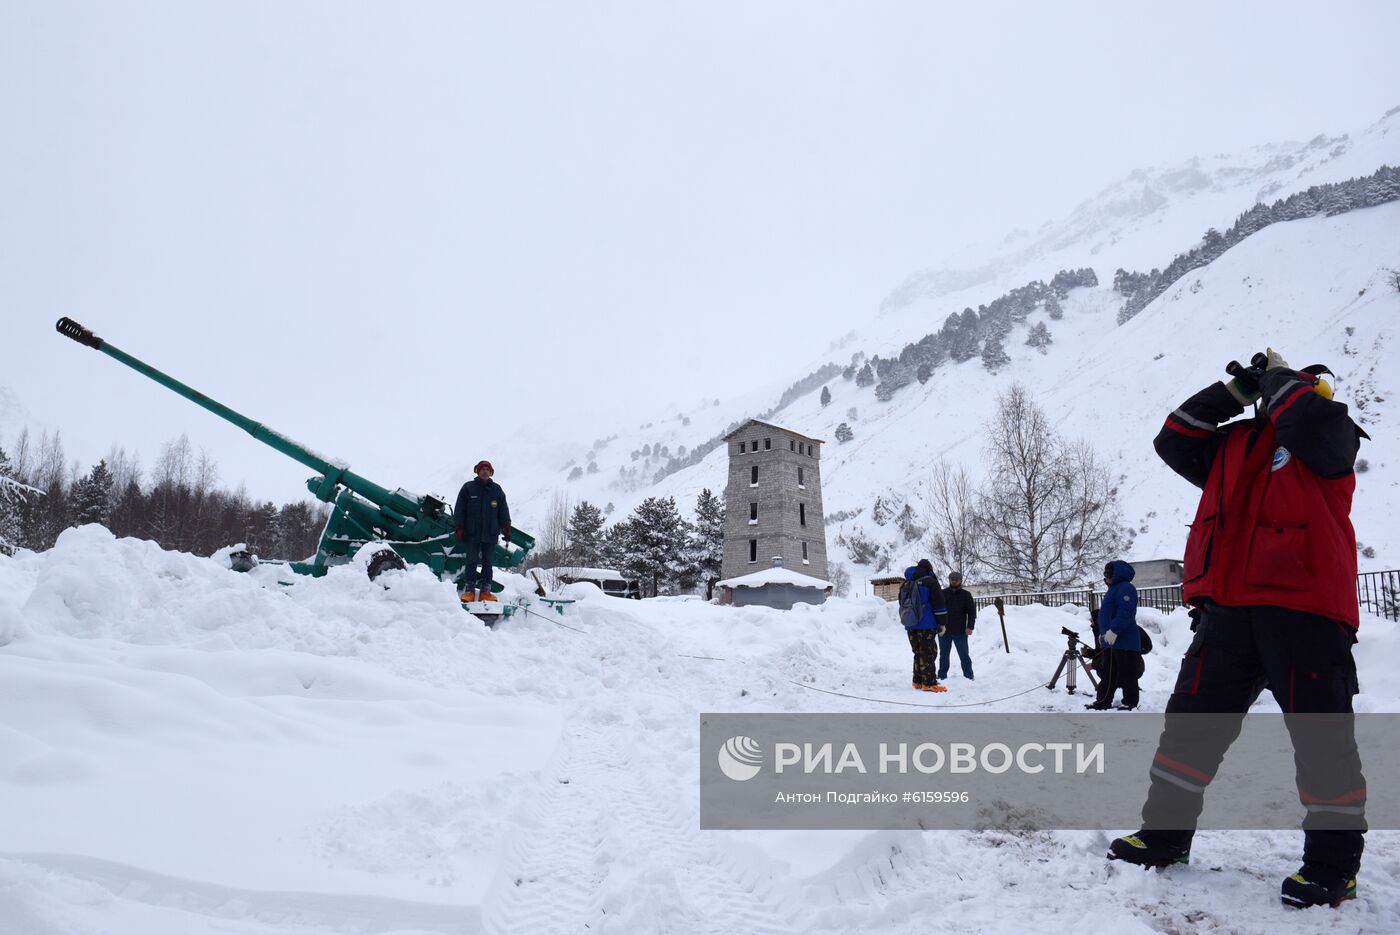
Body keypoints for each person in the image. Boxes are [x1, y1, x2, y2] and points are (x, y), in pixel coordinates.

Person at [1107, 349, 1368, 910]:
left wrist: (1282, 376)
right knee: (1189, 732)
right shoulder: (1228, 447)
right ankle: (1165, 838)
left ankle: (1332, 870)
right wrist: (1237, 390)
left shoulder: (1329, 432)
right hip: (1228, 611)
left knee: (1323, 745)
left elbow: (1305, 421)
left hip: (1307, 611)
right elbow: (1173, 436)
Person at [1086, 560, 1143, 710]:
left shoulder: (1126, 588)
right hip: (1111, 641)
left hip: (1125, 641)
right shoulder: (1113, 589)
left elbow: (1126, 612)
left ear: (1116, 574)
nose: (1106, 577)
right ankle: (1103, 701)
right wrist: (1103, 635)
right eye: (1105, 574)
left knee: (1127, 674)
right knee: (1108, 674)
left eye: (1108, 574)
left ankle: (1129, 702)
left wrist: (1114, 630)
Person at [454, 460, 511, 601]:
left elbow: (503, 511)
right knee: (471, 562)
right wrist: (460, 528)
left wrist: (506, 528)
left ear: (491, 472)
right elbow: (460, 510)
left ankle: (486, 591)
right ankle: (469, 591)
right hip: (472, 533)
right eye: (482, 469)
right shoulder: (468, 488)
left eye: (487, 469)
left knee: (487, 563)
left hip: (490, 534)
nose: (485, 471)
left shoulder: (497, 490)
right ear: (477, 472)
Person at [898, 558, 949, 692]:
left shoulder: (906, 583)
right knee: (928, 653)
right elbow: (939, 604)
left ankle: (917, 681)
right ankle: (929, 683)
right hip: (927, 624)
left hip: (910, 624)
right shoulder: (930, 582)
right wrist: (942, 623)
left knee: (917, 652)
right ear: (929, 569)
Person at [938, 571, 976, 681]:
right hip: (944, 631)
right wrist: (937, 625)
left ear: (960, 580)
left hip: (960, 631)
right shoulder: (942, 593)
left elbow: (972, 613)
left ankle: (969, 676)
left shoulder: (966, 595)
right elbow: (937, 610)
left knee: (964, 655)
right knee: (943, 656)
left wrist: (970, 627)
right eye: (952, 579)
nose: (954, 581)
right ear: (949, 580)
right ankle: (942, 676)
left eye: (956, 579)